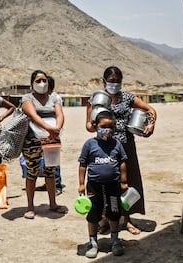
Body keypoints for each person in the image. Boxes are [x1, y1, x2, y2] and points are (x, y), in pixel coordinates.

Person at [85, 66, 157, 235]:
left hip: (125, 146)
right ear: (104, 82)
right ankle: (105, 219)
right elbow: (88, 125)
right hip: (103, 148)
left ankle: (128, 219)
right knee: (105, 183)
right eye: (111, 81)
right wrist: (94, 125)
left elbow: (150, 110)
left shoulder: (128, 98)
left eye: (117, 81)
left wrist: (151, 123)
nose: (114, 84)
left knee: (127, 181)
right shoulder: (95, 99)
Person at [78, 110, 127, 258]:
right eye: (103, 126)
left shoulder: (116, 144)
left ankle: (115, 240)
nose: (107, 130)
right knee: (93, 213)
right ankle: (93, 242)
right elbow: (82, 164)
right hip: (94, 185)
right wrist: (81, 183)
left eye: (111, 127)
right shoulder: (89, 144)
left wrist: (124, 181)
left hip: (113, 185)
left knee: (114, 213)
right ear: (95, 125)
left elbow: (123, 162)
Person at [21, 70, 67, 219]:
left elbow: (59, 114)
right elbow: (33, 116)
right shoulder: (27, 98)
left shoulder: (54, 98)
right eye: (38, 80)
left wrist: (56, 129)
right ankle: (30, 207)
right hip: (32, 140)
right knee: (32, 172)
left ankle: (53, 203)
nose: (42, 83)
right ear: (32, 84)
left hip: (52, 138)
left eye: (44, 80)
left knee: (50, 172)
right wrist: (49, 129)